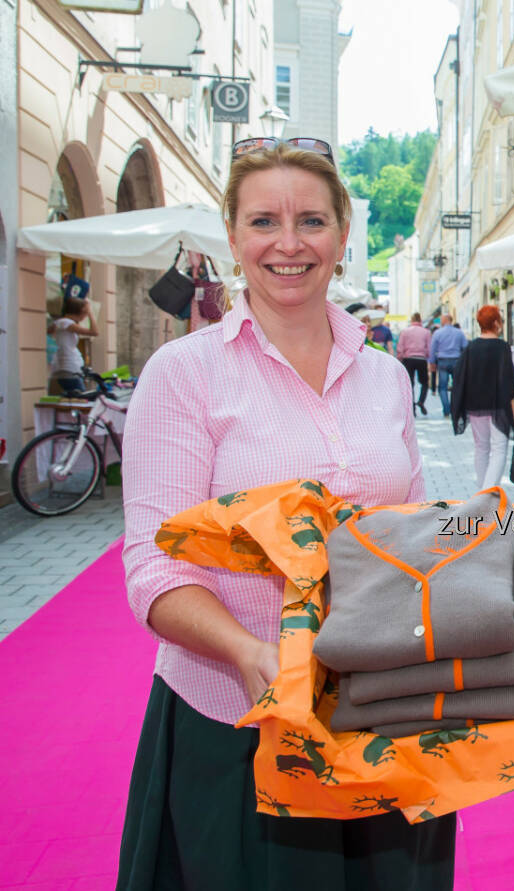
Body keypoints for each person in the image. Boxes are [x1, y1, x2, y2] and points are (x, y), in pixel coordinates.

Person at [117, 138, 454, 889]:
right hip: (238, 718)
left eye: (312, 220)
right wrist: (246, 652)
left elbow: (417, 528)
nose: (289, 243)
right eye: (264, 221)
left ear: (341, 235)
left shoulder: (386, 376)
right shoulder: (185, 373)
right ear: (233, 238)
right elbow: (154, 565)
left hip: (383, 708)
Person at [451, 305, 514, 489]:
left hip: (475, 406)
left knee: (481, 448)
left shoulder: (470, 347)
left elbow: (460, 376)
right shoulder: (502, 347)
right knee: (500, 448)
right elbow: (507, 382)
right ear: (495, 323)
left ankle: (481, 493)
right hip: (498, 405)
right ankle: (487, 493)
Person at [48, 295, 97, 395]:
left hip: (65, 367)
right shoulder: (66, 323)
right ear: (81, 311)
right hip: (69, 368)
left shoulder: (60, 323)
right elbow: (94, 331)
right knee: (81, 398)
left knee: (73, 397)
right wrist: (90, 314)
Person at [428, 312, 467, 417]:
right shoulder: (459, 333)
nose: (440, 321)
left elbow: (432, 349)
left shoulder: (438, 333)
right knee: (457, 386)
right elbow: (465, 347)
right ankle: (456, 410)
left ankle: (446, 410)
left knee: (443, 387)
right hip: (456, 361)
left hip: (443, 361)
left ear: (445, 320)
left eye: (441, 319)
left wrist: (432, 362)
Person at [397, 311, 433, 415]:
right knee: (424, 383)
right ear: (420, 320)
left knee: (409, 383)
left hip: (408, 359)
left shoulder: (405, 331)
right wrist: (429, 359)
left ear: (412, 320)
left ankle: (412, 406)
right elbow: (429, 348)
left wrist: (400, 358)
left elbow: (400, 346)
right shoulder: (426, 332)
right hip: (421, 359)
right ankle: (421, 401)